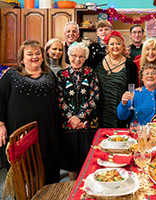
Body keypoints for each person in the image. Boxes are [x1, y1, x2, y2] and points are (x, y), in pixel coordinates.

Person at [0, 40, 60, 184]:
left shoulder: (49, 74)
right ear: (22, 58)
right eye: (30, 54)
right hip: (20, 134)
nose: (35, 56)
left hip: (46, 133)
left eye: (38, 53)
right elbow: (0, 99)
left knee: (48, 174)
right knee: (21, 176)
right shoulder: (11, 75)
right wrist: (1, 124)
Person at [57, 42, 99, 180]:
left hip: (87, 125)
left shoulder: (91, 73)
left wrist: (80, 118)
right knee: (71, 162)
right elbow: (59, 98)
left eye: (81, 56)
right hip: (68, 126)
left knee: (88, 161)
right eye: (74, 55)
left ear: (85, 58)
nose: (77, 59)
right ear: (68, 56)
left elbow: (95, 97)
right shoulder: (61, 75)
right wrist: (72, 119)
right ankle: (73, 188)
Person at [95, 31, 138, 128]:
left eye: (119, 44)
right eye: (112, 44)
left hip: (120, 110)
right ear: (107, 47)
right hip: (100, 110)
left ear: (123, 47)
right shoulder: (97, 60)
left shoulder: (130, 65)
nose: (115, 46)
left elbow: (133, 89)